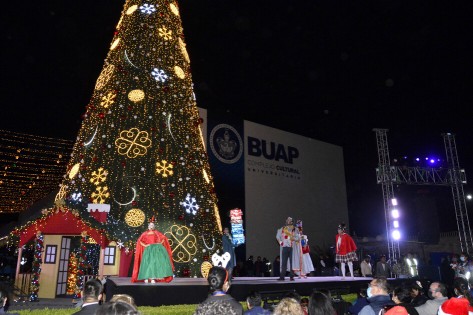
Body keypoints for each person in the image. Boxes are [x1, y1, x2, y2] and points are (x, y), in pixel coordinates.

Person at [131, 218, 174, 283]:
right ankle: (146, 277)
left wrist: (159, 243)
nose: (151, 227)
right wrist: (145, 245)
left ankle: (153, 278)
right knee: (147, 263)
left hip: (155, 250)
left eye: (152, 226)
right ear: (148, 226)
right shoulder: (145, 233)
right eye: (150, 226)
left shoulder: (156, 233)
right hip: (148, 250)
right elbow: (140, 241)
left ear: (154, 227)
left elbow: (163, 238)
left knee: (154, 264)